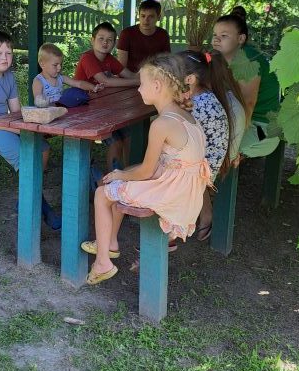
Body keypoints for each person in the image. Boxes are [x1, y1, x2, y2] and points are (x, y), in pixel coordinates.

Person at [80, 53, 211, 284]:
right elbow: (167, 164)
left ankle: (102, 263)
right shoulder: (186, 116)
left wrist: (121, 174)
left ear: (157, 86)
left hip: (174, 193)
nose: (139, 89)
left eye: (142, 84)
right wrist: (125, 175)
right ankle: (109, 243)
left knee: (102, 193)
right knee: (123, 180)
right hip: (186, 189)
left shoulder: (161, 124)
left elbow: (147, 172)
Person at [0, 31, 61, 229]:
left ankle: (28, 194)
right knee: (25, 157)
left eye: (8, 53)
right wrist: (20, 131)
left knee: (42, 147)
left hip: (4, 124)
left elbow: (16, 112)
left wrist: (30, 127)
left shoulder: (9, 76)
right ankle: (43, 208)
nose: (4, 58)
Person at [178, 50, 245, 241]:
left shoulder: (200, 103)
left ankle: (170, 230)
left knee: (163, 164)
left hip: (207, 166)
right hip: (212, 161)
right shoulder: (212, 97)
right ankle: (198, 214)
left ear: (190, 78)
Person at [74, 22, 138, 176]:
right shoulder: (87, 58)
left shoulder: (110, 59)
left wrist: (144, 76)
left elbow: (129, 75)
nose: (105, 43)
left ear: (114, 44)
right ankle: (112, 180)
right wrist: (137, 82)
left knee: (128, 135)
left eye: (109, 40)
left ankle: (127, 175)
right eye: (101, 38)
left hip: (105, 109)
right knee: (115, 142)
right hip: (84, 111)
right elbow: (105, 81)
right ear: (92, 40)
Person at [212, 14, 280, 128]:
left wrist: (235, 135)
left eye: (224, 35)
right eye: (215, 34)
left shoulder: (246, 58)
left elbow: (248, 103)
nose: (216, 39)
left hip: (259, 123)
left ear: (241, 39)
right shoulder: (228, 56)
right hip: (244, 118)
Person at [117, 0, 171, 73]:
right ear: (138, 16)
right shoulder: (127, 33)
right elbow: (121, 67)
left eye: (151, 16)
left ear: (158, 17)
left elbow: (166, 63)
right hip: (129, 75)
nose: (146, 20)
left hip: (154, 75)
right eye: (143, 16)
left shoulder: (163, 34)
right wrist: (134, 78)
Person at [33, 43, 98, 104]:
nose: (59, 68)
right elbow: (38, 101)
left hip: (61, 109)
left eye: (60, 64)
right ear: (42, 64)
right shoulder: (39, 81)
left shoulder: (60, 77)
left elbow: (79, 84)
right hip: (47, 111)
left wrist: (93, 87)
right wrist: (49, 102)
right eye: (55, 65)